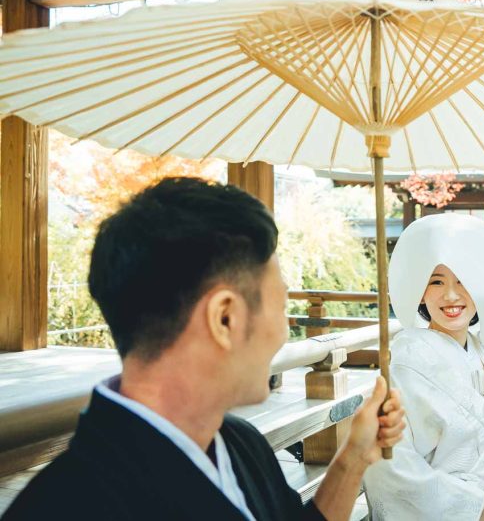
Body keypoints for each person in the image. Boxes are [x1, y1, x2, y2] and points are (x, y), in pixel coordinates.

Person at [2, 177, 404, 521]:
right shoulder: (62, 507)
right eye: (281, 308)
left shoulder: (240, 443)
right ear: (224, 318)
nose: (284, 335)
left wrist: (354, 456)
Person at [363, 213, 484, 520]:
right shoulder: (407, 362)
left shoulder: (481, 352)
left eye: (463, 281)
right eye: (436, 281)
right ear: (420, 292)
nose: (451, 295)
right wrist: (476, 504)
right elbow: (391, 464)